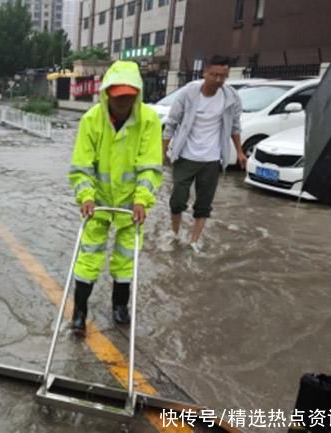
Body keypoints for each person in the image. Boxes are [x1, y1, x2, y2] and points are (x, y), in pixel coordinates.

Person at [68, 60, 163, 334]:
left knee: (126, 256)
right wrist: (86, 196)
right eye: (118, 96)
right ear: (107, 93)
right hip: (97, 200)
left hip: (131, 203)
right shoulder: (91, 120)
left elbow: (150, 166)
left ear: (138, 95)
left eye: (129, 97)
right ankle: (80, 310)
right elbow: (81, 167)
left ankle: (120, 306)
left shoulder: (148, 121)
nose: (123, 103)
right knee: (89, 256)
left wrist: (142, 200)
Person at [162, 55, 247, 252]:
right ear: (205, 73)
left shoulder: (231, 97)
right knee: (177, 200)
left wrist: (240, 152)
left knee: (204, 204)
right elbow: (172, 122)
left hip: (211, 159)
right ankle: (175, 234)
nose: (218, 80)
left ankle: (194, 241)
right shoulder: (189, 93)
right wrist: (163, 149)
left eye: (223, 76)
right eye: (214, 75)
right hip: (185, 156)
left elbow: (235, 127)